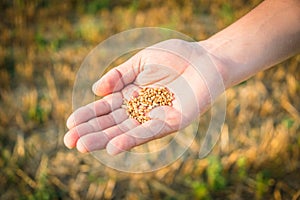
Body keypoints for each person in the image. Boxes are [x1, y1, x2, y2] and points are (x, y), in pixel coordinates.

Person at [64, 0, 300, 155]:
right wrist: (211, 55)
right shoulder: (143, 101)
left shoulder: (148, 98)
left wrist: (208, 56)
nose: (144, 102)